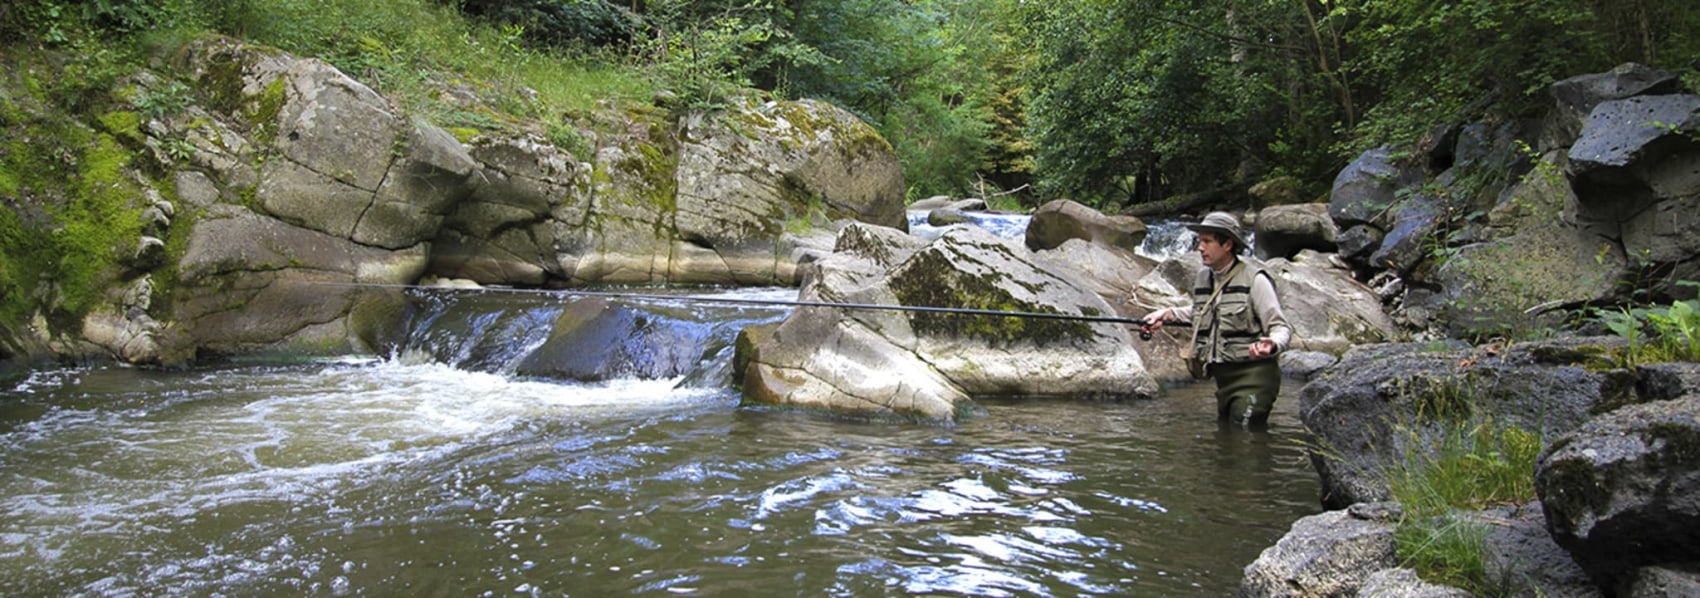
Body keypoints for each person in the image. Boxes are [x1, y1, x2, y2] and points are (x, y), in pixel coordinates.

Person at [1142, 211, 1292, 426]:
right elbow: (1202, 310)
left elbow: (1281, 326)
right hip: (1223, 381)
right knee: (1228, 436)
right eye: (1199, 241)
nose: (1200, 248)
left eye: (1207, 241)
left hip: (1255, 378)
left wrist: (1272, 344)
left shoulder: (1256, 280)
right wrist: (1166, 314)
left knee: (1244, 437)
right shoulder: (1205, 276)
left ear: (1228, 245)